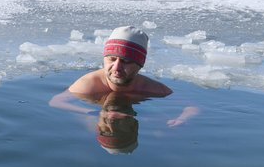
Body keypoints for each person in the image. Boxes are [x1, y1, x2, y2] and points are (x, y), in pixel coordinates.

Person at [50, 25, 198, 130]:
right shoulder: (89, 84)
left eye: (126, 61)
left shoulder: (151, 88)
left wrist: (181, 120)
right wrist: (91, 113)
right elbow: (56, 102)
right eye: (112, 59)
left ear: (140, 65)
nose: (116, 68)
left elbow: (192, 107)